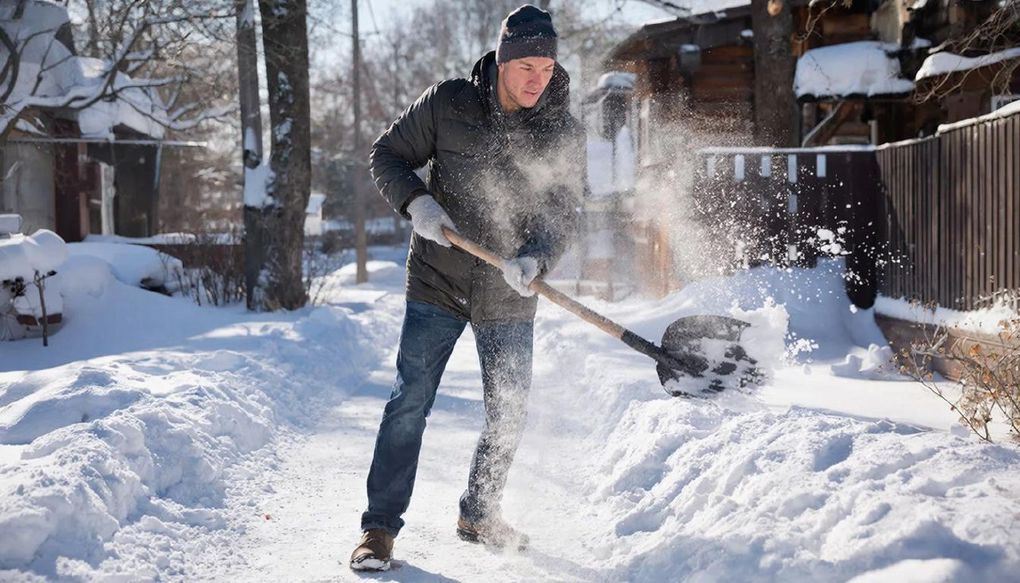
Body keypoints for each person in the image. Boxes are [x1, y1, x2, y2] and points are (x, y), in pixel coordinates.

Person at [349, 4, 585, 572]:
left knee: (510, 409)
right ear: (502, 61)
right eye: (526, 65)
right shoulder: (449, 102)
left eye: (546, 68)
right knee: (409, 403)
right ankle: (379, 528)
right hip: (438, 279)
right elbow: (387, 155)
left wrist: (537, 257)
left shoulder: (561, 129)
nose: (537, 78)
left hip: (509, 289)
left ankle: (479, 510)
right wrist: (418, 202)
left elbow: (566, 209)